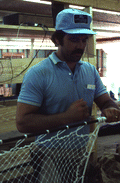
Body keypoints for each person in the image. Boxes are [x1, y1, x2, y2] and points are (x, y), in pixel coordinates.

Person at [16, 8, 120, 182]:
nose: (80, 46)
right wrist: (67, 117)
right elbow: (22, 123)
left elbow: (106, 101)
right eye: (73, 39)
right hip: (47, 154)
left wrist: (110, 109)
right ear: (57, 39)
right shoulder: (38, 74)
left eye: (83, 40)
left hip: (81, 152)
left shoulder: (90, 71)